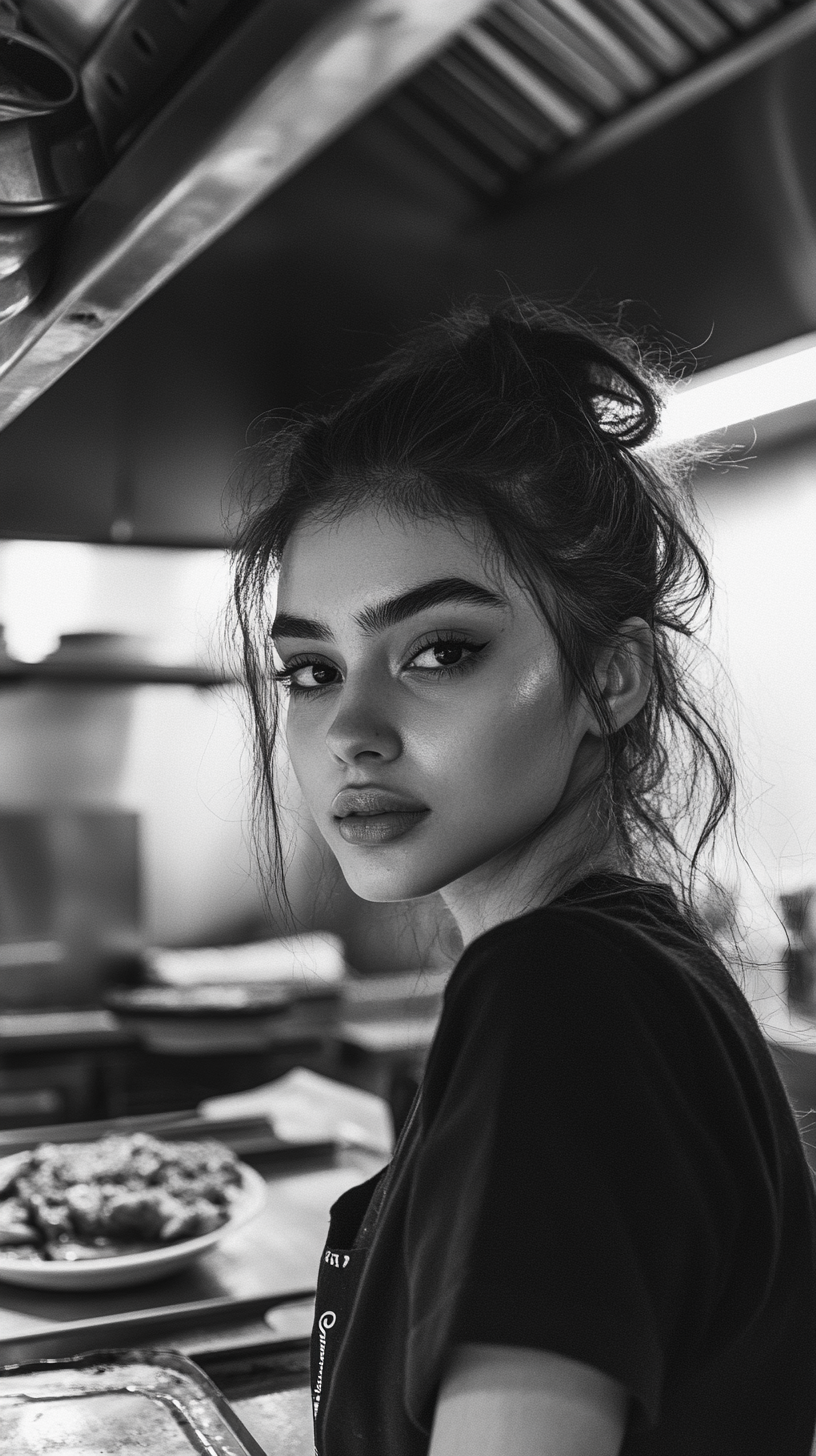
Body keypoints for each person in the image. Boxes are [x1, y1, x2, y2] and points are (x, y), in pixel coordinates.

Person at [232, 299, 816, 1456]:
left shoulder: (561, 993)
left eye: (439, 650)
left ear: (613, 680)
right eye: (308, 667)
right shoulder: (623, 966)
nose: (350, 727)